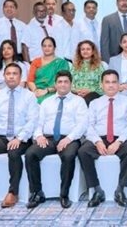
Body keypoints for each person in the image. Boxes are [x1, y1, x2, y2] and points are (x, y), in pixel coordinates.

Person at [24, 70, 89, 209]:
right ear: (55, 84)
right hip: (48, 139)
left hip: (69, 138)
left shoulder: (79, 101)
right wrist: (39, 136)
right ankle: (37, 192)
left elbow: (82, 124)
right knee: (30, 154)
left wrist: (69, 139)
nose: (63, 84)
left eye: (66, 82)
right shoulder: (46, 102)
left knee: (69, 155)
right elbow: (38, 122)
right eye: (60, 82)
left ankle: (64, 194)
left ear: (71, 84)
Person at [0, 63, 38, 208]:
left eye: (14, 73)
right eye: (8, 73)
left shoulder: (29, 96)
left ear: (20, 77)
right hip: (1, 136)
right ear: (4, 77)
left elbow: (32, 121)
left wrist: (19, 138)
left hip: (22, 137)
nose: (11, 76)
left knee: (14, 152)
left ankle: (13, 192)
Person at [79, 70, 127, 208]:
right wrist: (97, 142)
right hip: (99, 137)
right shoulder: (94, 103)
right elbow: (89, 125)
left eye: (114, 82)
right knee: (83, 151)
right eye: (107, 82)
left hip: (120, 138)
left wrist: (119, 142)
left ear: (119, 84)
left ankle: (120, 189)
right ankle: (97, 189)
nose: (111, 85)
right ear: (102, 85)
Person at [27, 37, 71, 104]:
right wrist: (36, 91)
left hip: (55, 92)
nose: (47, 48)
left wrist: (47, 90)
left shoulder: (61, 63)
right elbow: (30, 80)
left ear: (54, 48)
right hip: (37, 91)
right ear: (41, 48)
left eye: (50, 46)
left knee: (45, 102)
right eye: (44, 46)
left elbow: (62, 82)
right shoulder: (35, 62)